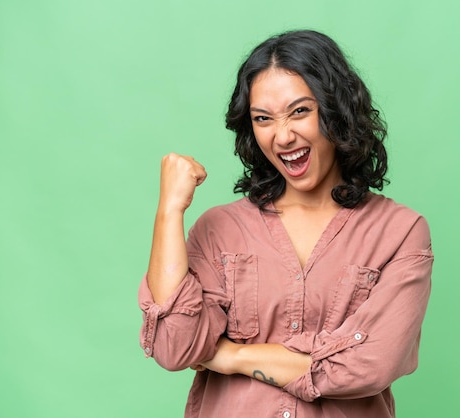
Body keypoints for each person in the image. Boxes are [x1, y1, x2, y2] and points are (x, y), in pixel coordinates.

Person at [138, 29, 433, 418]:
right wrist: (169, 211)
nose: (283, 136)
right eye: (263, 118)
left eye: (300, 111)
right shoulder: (219, 229)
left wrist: (231, 356)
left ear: (335, 111)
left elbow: (369, 365)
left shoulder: (400, 232)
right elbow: (175, 347)